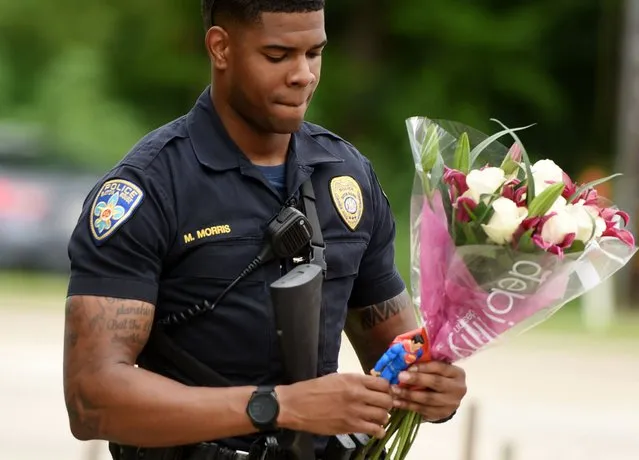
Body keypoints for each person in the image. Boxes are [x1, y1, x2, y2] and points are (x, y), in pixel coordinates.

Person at [62, 1, 468, 459]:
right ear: (220, 47)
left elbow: (398, 356)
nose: (304, 75)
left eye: (315, 53)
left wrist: (433, 391)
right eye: (278, 55)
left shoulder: (348, 177)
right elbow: (90, 399)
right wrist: (278, 406)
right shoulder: (147, 189)